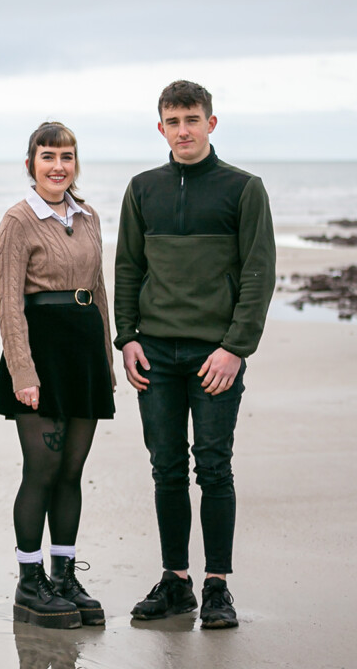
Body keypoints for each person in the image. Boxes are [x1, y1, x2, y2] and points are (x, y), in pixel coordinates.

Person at [116, 80, 275, 629]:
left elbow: (258, 274)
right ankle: (176, 581)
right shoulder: (142, 189)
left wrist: (235, 348)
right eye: (173, 121)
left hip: (216, 354)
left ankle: (217, 587)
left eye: (192, 119)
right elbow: (128, 268)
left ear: (211, 123)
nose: (183, 130)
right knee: (165, 470)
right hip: (155, 354)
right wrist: (127, 337)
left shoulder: (244, 188)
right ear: (161, 127)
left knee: (214, 467)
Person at [0, 122, 115, 629]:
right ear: (30, 164)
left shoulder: (89, 217)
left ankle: (64, 575)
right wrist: (23, 369)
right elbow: (8, 303)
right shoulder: (18, 220)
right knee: (42, 469)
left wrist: (105, 362)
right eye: (48, 157)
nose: (58, 165)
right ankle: (29, 580)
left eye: (66, 156)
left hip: (83, 353)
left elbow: (100, 289)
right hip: (40, 354)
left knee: (71, 471)